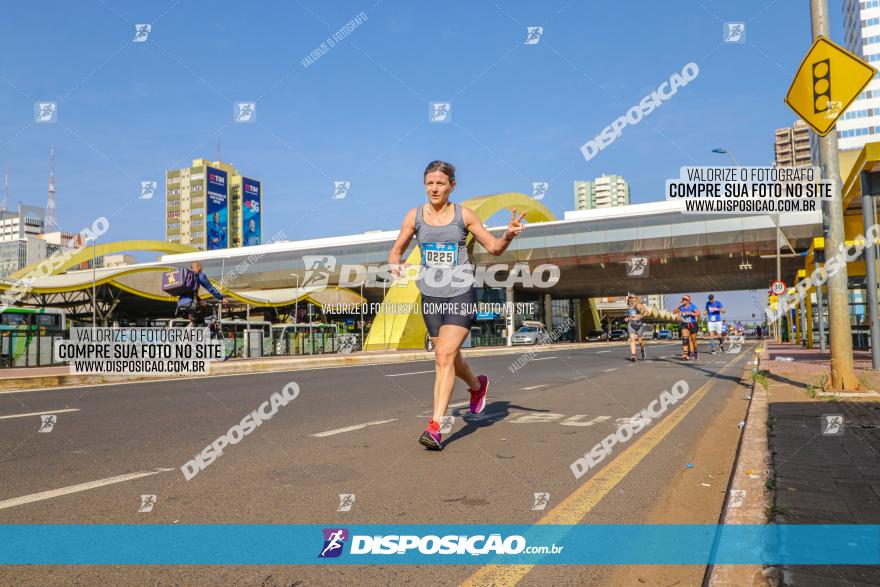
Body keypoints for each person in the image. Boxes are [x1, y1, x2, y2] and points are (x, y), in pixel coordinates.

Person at [388, 160, 526, 450]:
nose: (434, 188)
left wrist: (509, 235)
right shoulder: (415, 216)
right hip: (430, 295)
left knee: (443, 355)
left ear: (452, 185)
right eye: (429, 183)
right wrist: (394, 263)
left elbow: (494, 248)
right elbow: (397, 248)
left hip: (461, 292)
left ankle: (435, 427)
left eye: (440, 183)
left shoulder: (465, 216)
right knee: (448, 356)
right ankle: (477, 386)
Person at [175, 262, 227, 326]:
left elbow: (190, 293)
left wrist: (199, 300)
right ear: (198, 267)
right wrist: (221, 298)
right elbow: (211, 289)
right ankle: (197, 334)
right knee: (200, 324)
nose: (201, 268)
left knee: (195, 322)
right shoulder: (199, 275)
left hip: (181, 303)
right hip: (190, 304)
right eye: (200, 266)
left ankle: (190, 335)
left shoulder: (188, 277)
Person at [673, 294, 700, 360]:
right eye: (683, 299)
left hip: (692, 324)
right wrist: (679, 305)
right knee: (685, 338)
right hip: (684, 324)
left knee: (693, 340)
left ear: (688, 300)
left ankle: (695, 351)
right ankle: (685, 354)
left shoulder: (692, 306)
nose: (684, 300)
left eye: (685, 299)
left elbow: (698, 313)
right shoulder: (681, 307)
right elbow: (674, 312)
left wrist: (690, 313)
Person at [624, 294, 648, 362]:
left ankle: (642, 349)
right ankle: (633, 355)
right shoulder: (628, 307)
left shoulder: (639, 305)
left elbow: (647, 312)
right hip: (631, 324)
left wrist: (641, 316)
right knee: (632, 340)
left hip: (639, 325)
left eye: (632, 298)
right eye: (630, 298)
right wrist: (626, 318)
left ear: (635, 298)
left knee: (640, 341)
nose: (631, 299)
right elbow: (627, 315)